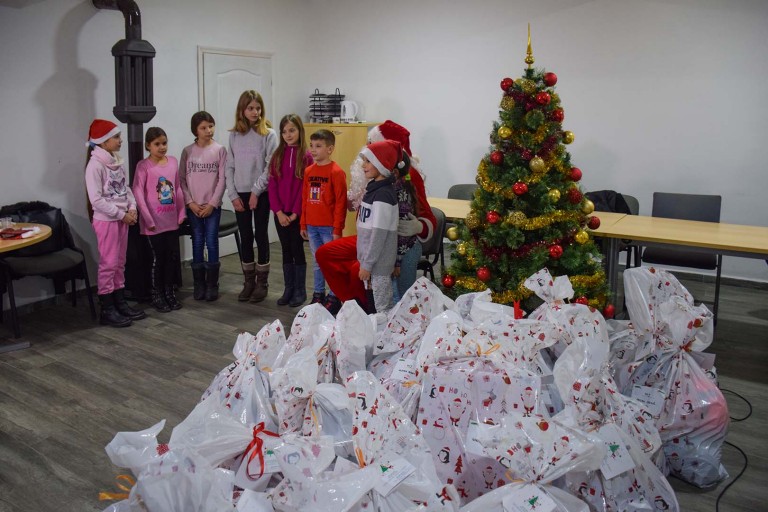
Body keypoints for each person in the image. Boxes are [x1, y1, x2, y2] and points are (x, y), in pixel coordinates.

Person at [316, 121, 435, 313]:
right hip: (365, 237)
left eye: (371, 144)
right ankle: (350, 303)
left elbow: (426, 217)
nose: (365, 149)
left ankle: (367, 310)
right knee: (325, 253)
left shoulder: (406, 177)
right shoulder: (371, 177)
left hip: (387, 242)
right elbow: (359, 206)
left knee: (360, 272)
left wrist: (419, 226)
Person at [84, 119, 146, 327]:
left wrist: (132, 207)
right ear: (103, 142)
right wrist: (121, 215)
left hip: (122, 218)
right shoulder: (95, 166)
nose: (120, 140)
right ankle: (107, 309)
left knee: (120, 263)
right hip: (108, 221)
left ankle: (120, 302)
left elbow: (124, 189)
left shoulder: (115, 161)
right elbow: (96, 200)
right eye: (116, 137)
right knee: (108, 264)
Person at [225, 90, 278, 303]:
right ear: (242, 110)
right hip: (240, 193)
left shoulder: (269, 134)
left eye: (258, 108)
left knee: (261, 235)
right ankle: (248, 281)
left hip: (261, 193)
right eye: (250, 108)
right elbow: (230, 165)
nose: (255, 112)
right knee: (245, 236)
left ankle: (262, 283)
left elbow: (270, 167)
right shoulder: (234, 135)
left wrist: (256, 191)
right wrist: (233, 195)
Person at [133, 127, 186, 312]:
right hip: (154, 223)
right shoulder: (143, 166)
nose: (162, 147)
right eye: (157, 144)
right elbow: (138, 192)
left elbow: (177, 188)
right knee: (159, 258)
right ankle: (157, 294)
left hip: (171, 221)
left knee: (171, 257)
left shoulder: (172, 162)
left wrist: (181, 212)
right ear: (148, 145)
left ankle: (169, 291)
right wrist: (147, 218)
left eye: (164, 143)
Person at [179, 111, 227, 301]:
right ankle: (199, 284)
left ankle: (212, 284)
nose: (208, 130)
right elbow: (181, 179)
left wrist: (213, 203)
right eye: (203, 128)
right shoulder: (187, 151)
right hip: (194, 206)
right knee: (197, 241)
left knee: (212, 242)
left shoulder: (219, 150)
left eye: (211, 126)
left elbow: (222, 179)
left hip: (212, 207)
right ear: (195, 130)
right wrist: (190, 202)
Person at [267, 114, 313, 307]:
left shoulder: (307, 156)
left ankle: (300, 291)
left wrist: (295, 213)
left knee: (297, 249)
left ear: (299, 131)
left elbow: (305, 187)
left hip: (297, 214)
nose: (288, 134)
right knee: (285, 250)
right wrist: (278, 212)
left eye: (292, 130)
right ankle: (289, 289)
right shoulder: (277, 155)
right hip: (280, 214)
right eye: (284, 131)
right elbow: (272, 185)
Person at [300, 129, 347, 309]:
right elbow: (305, 199)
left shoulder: (336, 172)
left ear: (330, 149)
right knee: (317, 262)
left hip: (328, 227)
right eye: (312, 145)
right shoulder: (309, 171)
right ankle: (318, 294)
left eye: (318, 146)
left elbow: (341, 203)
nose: (313, 149)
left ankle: (334, 296)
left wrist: (337, 229)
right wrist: (303, 222)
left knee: (332, 264)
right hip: (312, 226)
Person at [356, 140, 401, 313]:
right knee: (372, 304)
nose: (363, 165)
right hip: (371, 262)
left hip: (378, 264)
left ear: (381, 164)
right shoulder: (374, 189)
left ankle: (383, 338)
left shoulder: (383, 194)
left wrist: (367, 265)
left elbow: (379, 235)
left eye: (368, 161)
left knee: (382, 307)